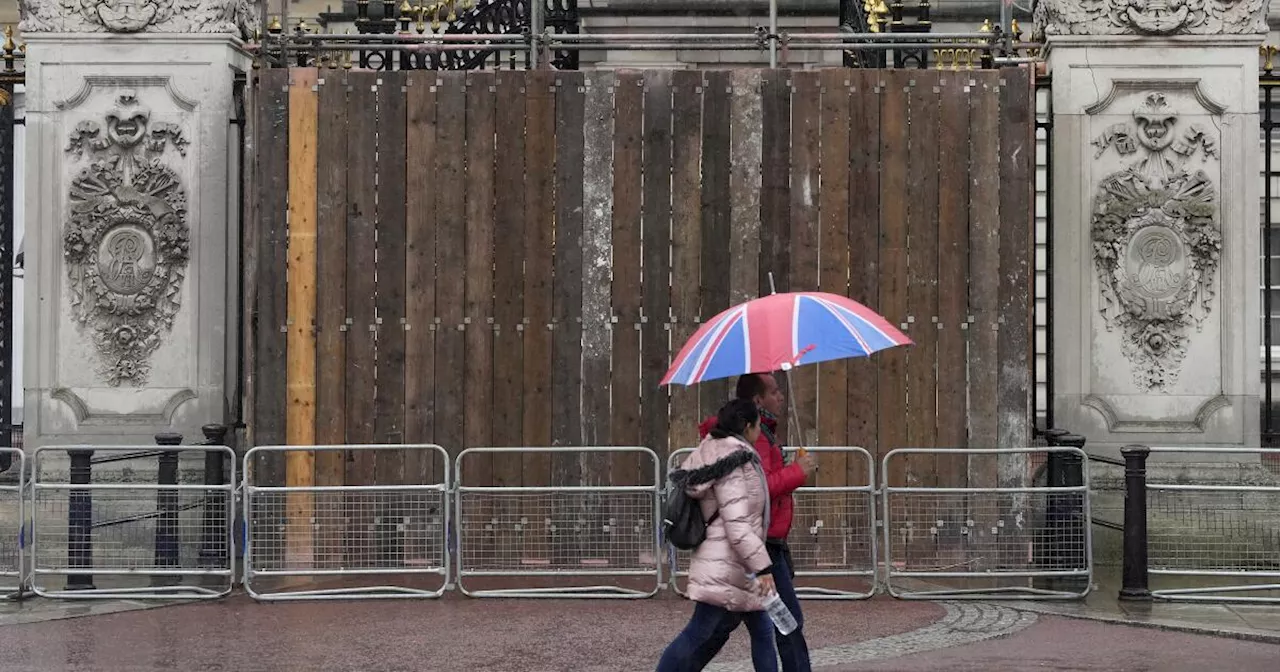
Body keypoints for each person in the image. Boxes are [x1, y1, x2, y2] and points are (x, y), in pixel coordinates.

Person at [695, 373, 816, 672]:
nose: (781, 397)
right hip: (762, 546)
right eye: (775, 392)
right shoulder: (756, 436)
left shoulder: (761, 434)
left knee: (728, 626)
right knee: (786, 622)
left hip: (761, 544)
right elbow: (758, 488)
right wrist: (798, 472)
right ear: (758, 400)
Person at [657, 399, 780, 672]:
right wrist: (762, 567)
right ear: (747, 426)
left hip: (727, 560)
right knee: (699, 632)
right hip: (730, 563)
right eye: (758, 426)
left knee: (761, 630)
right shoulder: (736, 462)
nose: (760, 432)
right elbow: (737, 523)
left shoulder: (711, 451)